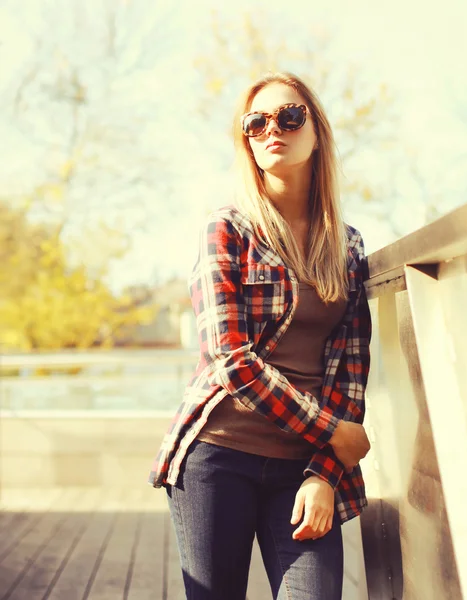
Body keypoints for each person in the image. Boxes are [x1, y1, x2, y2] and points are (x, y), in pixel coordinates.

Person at [148, 71, 372, 600]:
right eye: (256, 123)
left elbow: (351, 369)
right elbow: (231, 361)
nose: (273, 128)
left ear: (317, 131)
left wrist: (323, 473)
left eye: (290, 116)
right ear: (246, 141)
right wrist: (331, 431)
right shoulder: (226, 229)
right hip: (216, 456)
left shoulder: (348, 245)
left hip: (303, 464)